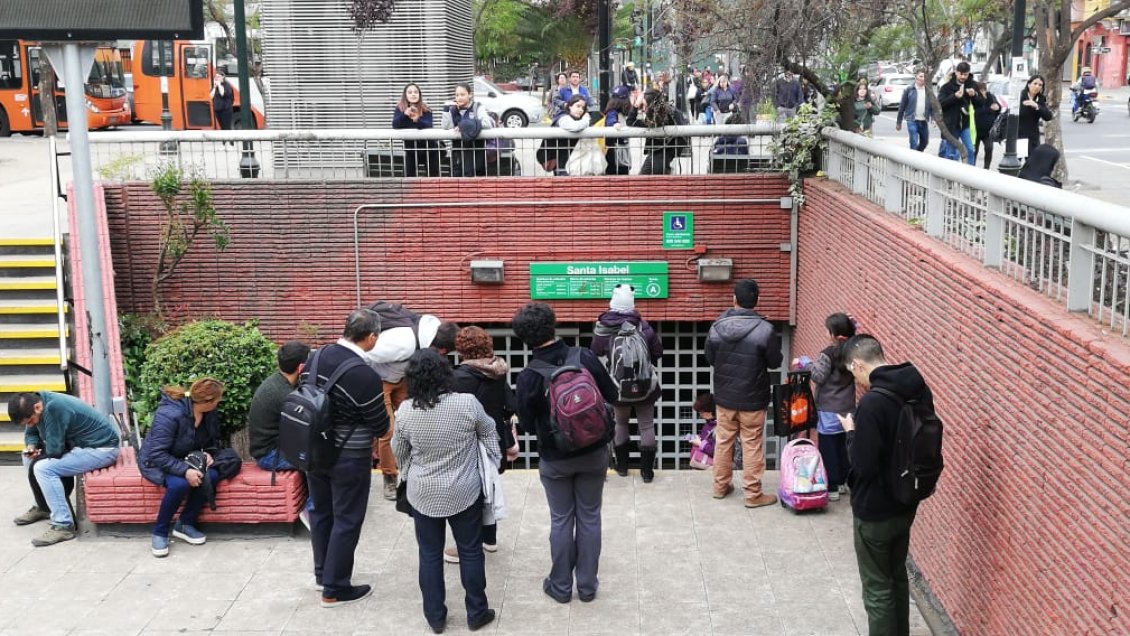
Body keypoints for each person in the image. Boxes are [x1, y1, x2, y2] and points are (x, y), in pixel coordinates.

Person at [513, 302, 618, 604]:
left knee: (561, 519)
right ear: (553, 324)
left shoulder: (529, 376)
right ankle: (587, 586)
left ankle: (560, 587)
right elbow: (612, 396)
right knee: (590, 517)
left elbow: (530, 425)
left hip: (556, 458)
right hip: (595, 452)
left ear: (524, 338)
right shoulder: (584, 356)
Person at [392, 349, 499, 633]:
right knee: (471, 552)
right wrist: (494, 461)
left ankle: (435, 617)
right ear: (445, 374)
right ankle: (476, 612)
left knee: (429, 554)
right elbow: (489, 431)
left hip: (423, 493)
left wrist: (408, 472)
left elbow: (399, 451)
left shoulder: (405, 411)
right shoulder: (467, 403)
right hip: (465, 490)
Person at [838, 334, 933, 636]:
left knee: (877, 588)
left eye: (853, 372)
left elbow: (863, 465)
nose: (856, 379)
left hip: (875, 510)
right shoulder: (917, 387)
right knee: (896, 576)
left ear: (858, 364)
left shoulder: (872, 403)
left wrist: (851, 432)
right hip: (906, 500)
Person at [305, 309, 389, 607]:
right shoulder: (363, 374)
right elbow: (380, 425)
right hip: (349, 456)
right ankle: (336, 587)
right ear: (371, 337)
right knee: (348, 518)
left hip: (313, 449)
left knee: (322, 512)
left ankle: (322, 574)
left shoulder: (316, 356)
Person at [139, 378, 242, 558]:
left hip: (186, 457)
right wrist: (185, 471)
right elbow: (157, 453)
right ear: (207, 401)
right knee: (179, 484)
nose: (219, 402)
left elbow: (212, 441)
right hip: (157, 462)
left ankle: (185, 523)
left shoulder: (209, 413)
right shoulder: (170, 414)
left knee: (213, 475)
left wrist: (209, 453)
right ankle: (160, 532)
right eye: (217, 400)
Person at [443, 326, 519, 564]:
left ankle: (468, 544)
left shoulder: (457, 378)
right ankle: (490, 539)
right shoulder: (498, 372)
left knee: (469, 491)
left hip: (466, 440)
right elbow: (510, 404)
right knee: (490, 485)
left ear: (461, 349)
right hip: (494, 438)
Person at [704, 279, 782, 509]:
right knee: (751, 444)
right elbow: (775, 363)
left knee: (723, 442)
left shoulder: (717, 327)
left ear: (734, 299)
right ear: (756, 301)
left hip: (725, 397)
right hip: (753, 398)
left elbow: (709, 358)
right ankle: (753, 494)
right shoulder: (765, 330)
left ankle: (720, 487)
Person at [7, 391, 120, 547]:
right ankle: (43, 506)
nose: (30, 424)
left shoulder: (54, 408)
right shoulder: (35, 405)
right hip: (79, 446)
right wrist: (32, 446)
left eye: (31, 421)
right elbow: (32, 433)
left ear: (37, 407)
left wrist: (40, 454)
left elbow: (55, 450)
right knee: (28, 456)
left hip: (101, 449)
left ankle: (63, 525)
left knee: (42, 468)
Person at [365, 301, 442, 500]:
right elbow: (363, 353)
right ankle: (390, 478)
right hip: (379, 381)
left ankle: (418, 470)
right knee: (387, 431)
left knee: (416, 423)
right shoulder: (398, 343)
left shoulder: (429, 333)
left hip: (401, 379)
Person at [589, 284, 663, 482]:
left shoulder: (604, 327)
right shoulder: (643, 326)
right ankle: (647, 473)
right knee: (646, 425)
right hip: (645, 385)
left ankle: (622, 467)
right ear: (631, 304)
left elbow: (595, 352)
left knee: (620, 423)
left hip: (618, 386)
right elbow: (658, 352)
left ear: (612, 304)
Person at [247, 340, 312, 526]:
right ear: (301, 367)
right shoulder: (284, 394)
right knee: (318, 461)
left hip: (275, 447)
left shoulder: (280, 382)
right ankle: (311, 511)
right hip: (270, 455)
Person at [792, 313, 856, 502]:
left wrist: (806, 363)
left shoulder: (828, 354)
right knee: (845, 446)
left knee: (829, 449)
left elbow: (818, 376)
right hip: (847, 408)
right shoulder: (854, 349)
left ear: (836, 336)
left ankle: (833, 487)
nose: (827, 334)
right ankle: (845, 481)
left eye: (829, 331)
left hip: (828, 408)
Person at [628, 89, 689, 175]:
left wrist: (636, 105)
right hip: (659, 152)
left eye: (645, 106)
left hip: (660, 153)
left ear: (652, 104)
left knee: (645, 181)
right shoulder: (666, 112)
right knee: (643, 181)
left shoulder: (659, 117)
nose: (644, 109)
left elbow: (630, 121)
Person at [442, 83, 494, 177]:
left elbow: (487, 124)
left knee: (476, 180)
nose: (459, 97)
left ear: (470, 94)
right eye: (457, 95)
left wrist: (464, 125)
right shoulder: (453, 109)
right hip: (458, 154)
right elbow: (446, 126)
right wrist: (446, 110)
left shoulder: (476, 107)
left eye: (462, 94)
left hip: (476, 152)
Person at [392, 82, 442, 178]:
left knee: (434, 176)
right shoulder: (400, 108)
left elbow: (428, 125)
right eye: (410, 92)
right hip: (411, 149)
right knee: (408, 176)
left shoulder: (426, 109)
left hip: (430, 149)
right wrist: (405, 114)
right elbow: (395, 125)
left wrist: (416, 120)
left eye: (415, 92)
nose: (413, 94)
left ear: (419, 94)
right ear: (405, 95)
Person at [937, 62, 981, 165]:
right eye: (961, 74)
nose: (963, 77)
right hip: (951, 125)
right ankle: (950, 175)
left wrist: (974, 95)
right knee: (951, 153)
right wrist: (954, 97)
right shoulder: (946, 87)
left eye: (965, 74)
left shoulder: (972, 85)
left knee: (970, 149)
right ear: (956, 73)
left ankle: (969, 174)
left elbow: (980, 103)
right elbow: (941, 104)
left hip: (965, 124)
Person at [895, 71, 933, 152]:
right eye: (921, 76)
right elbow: (902, 106)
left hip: (923, 120)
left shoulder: (928, 90)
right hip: (912, 120)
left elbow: (932, 106)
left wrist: (933, 118)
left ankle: (916, 155)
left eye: (925, 77)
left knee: (925, 142)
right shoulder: (909, 89)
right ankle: (913, 158)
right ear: (916, 77)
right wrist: (899, 122)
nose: (923, 78)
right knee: (913, 141)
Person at [1017, 75, 1053, 158]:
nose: (1037, 86)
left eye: (1040, 85)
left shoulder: (1040, 99)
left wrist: (1037, 106)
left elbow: (1048, 116)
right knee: (1016, 164)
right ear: (1029, 84)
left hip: (1033, 137)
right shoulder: (1020, 96)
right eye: (1035, 83)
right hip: (1019, 135)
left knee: (1032, 163)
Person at [602, 85, 634, 175]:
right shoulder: (613, 113)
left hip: (619, 154)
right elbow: (611, 121)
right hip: (616, 155)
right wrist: (615, 123)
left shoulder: (620, 113)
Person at [973, 82, 1002, 169]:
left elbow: (998, 107)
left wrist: (998, 108)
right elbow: (977, 112)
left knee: (989, 148)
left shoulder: (991, 96)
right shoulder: (975, 99)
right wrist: (989, 109)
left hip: (988, 130)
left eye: (984, 89)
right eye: (981, 90)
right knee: (974, 150)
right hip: (975, 129)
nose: (983, 92)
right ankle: (972, 167)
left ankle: (986, 168)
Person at [687, 392, 717, 469]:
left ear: (710, 411)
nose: (700, 415)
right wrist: (698, 439)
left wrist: (700, 443)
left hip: (713, 466)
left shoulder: (719, 428)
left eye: (701, 412)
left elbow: (715, 451)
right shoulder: (709, 423)